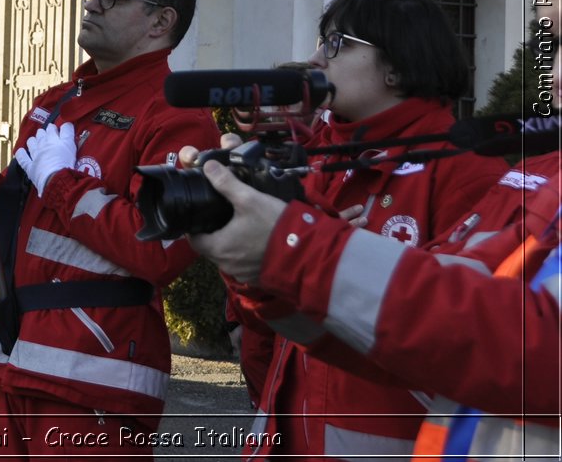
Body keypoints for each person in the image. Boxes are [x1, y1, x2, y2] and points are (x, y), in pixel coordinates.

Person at [0, 0, 218, 457]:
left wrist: (63, 183)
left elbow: (160, 251)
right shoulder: (56, 102)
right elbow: (22, 236)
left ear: (161, 21)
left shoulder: (177, 115)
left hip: (97, 371)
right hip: (20, 359)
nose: (92, 4)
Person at [224, 0, 509, 459]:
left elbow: (462, 334)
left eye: (336, 44)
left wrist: (341, 258)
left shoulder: (466, 170)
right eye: (320, 41)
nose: (315, 59)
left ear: (397, 66)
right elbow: (267, 322)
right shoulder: (314, 157)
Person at [186, 130, 560, 458]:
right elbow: (433, 318)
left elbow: (527, 345)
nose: (557, 72)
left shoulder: (475, 168)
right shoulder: (543, 175)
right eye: (557, 46)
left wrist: (298, 249)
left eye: (337, 45)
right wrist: (265, 267)